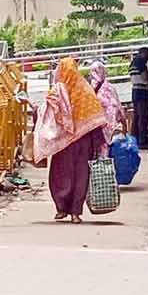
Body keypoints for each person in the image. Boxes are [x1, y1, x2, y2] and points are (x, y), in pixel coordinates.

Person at [33, 58, 108, 224]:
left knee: (60, 175)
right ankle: (75, 212)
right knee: (81, 176)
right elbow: (96, 117)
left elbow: (45, 113)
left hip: (64, 143)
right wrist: (99, 144)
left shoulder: (57, 92)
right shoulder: (86, 91)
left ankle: (61, 208)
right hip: (84, 142)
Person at [89, 60, 128, 151]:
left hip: (97, 127)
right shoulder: (110, 87)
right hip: (112, 126)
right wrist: (124, 124)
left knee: (99, 152)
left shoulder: (89, 89)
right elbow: (118, 107)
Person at [129, 47, 148, 149]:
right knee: (143, 117)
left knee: (137, 116)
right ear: (144, 53)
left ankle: (134, 138)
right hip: (142, 91)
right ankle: (142, 140)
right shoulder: (141, 62)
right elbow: (145, 78)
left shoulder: (132, 63)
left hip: (135, 91)